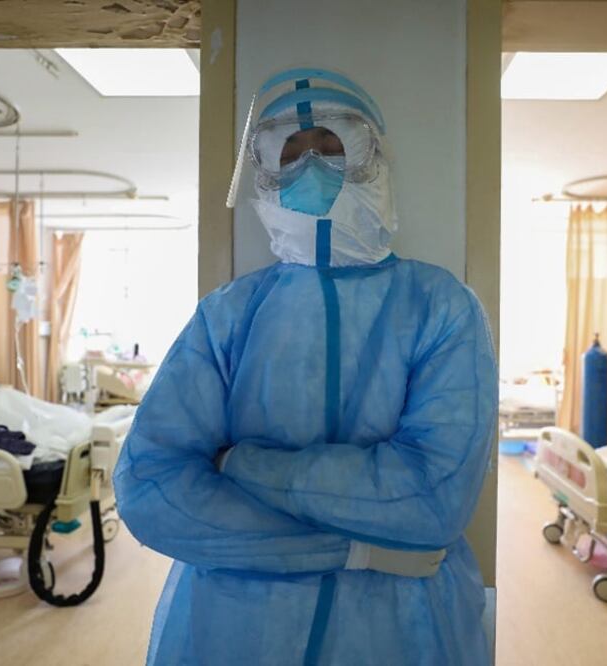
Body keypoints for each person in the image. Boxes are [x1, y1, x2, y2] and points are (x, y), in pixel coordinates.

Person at [114, 68, 497, 665]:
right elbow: (151, 490)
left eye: (331, 145)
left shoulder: (439, 305)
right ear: (264, 170)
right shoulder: (229, 314)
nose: (312, 167)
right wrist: (356, 551)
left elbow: (431, 499)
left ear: (373, 156)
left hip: (397, 635)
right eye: (291, 152)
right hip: (236, 634)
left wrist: (239, 465)